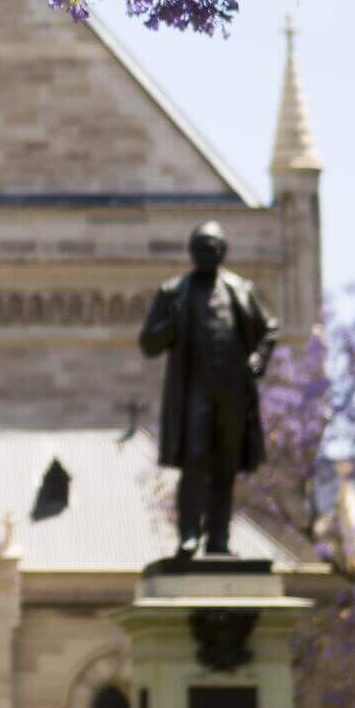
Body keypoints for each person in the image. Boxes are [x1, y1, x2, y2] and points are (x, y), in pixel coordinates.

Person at [139, 221, 277, 558]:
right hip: (194, 391)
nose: (207, 254)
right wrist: (172, 318)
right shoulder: (174, 292)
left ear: (223, 252)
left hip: (232, 392)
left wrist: (258, 358)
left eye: (213, 247)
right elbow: (150, 342)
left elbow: (269, 328)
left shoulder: (240, 289)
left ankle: (219, 540)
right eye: (201, 248)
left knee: (224, 467)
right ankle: (189, 534)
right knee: (195, 462)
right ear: (191, 253)